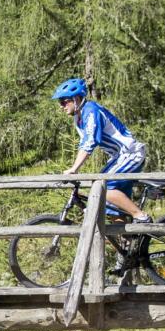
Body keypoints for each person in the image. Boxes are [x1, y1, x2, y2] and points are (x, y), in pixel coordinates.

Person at [52, 77, 153, 224]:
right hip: (118, 157)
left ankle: (142, 216)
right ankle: (126, 242)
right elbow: (83, 144)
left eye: (63, 101)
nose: (61, 106)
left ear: (76, 98)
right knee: (113, 206)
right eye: (59, 103)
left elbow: (90, 141)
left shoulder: (91, 111)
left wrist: (74, 169)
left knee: (102, 185)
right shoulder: (78, 118)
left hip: (131, 154)